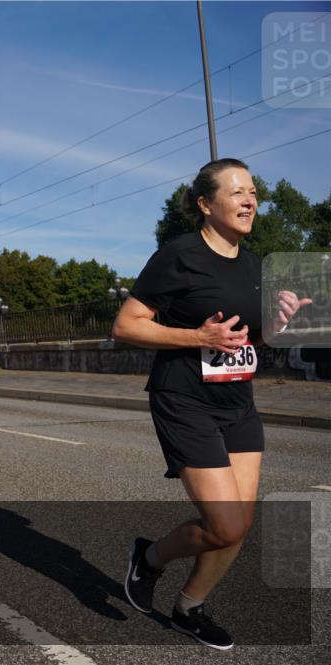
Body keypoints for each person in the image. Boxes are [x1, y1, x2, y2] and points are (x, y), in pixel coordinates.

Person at [112, 158, 312, 650]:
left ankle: (188, 608)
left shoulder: (252, 262)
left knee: (237, 523)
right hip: (184, 401)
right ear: (206, 204)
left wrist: (278, 322)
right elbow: (126, 325)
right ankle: (150, 558)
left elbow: (251, 338)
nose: (250, 201)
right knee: (226, 523)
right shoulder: (178, 255)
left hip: (238, 401)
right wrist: (195, 335)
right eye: (237, 192)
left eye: (254, 193)